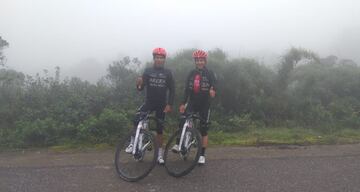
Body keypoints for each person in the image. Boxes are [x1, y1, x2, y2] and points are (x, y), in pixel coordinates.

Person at [126, 47, 175, 165]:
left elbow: (172, 90)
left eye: (161, 58)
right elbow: (140, 88)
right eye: (157, 57)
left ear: (164, 59)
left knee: (159, 130)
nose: (159, 60)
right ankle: (133, 142)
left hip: (161, 105)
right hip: (149, 102)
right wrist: (138, 84)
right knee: (137, 119)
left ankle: (159, 155)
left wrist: (169, 104)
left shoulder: (167, 73)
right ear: (154, 58)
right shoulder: (147, 71)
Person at [172, 49, 216, 165]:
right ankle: (178, 143)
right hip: (192, 102)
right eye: (197, 60)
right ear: (195, 61)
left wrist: (213, 91)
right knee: (182, 120)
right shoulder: (191, 73)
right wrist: (183, 103)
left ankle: (202, 155)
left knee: (204, 129)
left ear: (205, 61)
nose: (199, 62)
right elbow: (187, 89)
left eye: (201, 60)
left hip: (204, 104)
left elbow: (215, 85)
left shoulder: (209, 73)